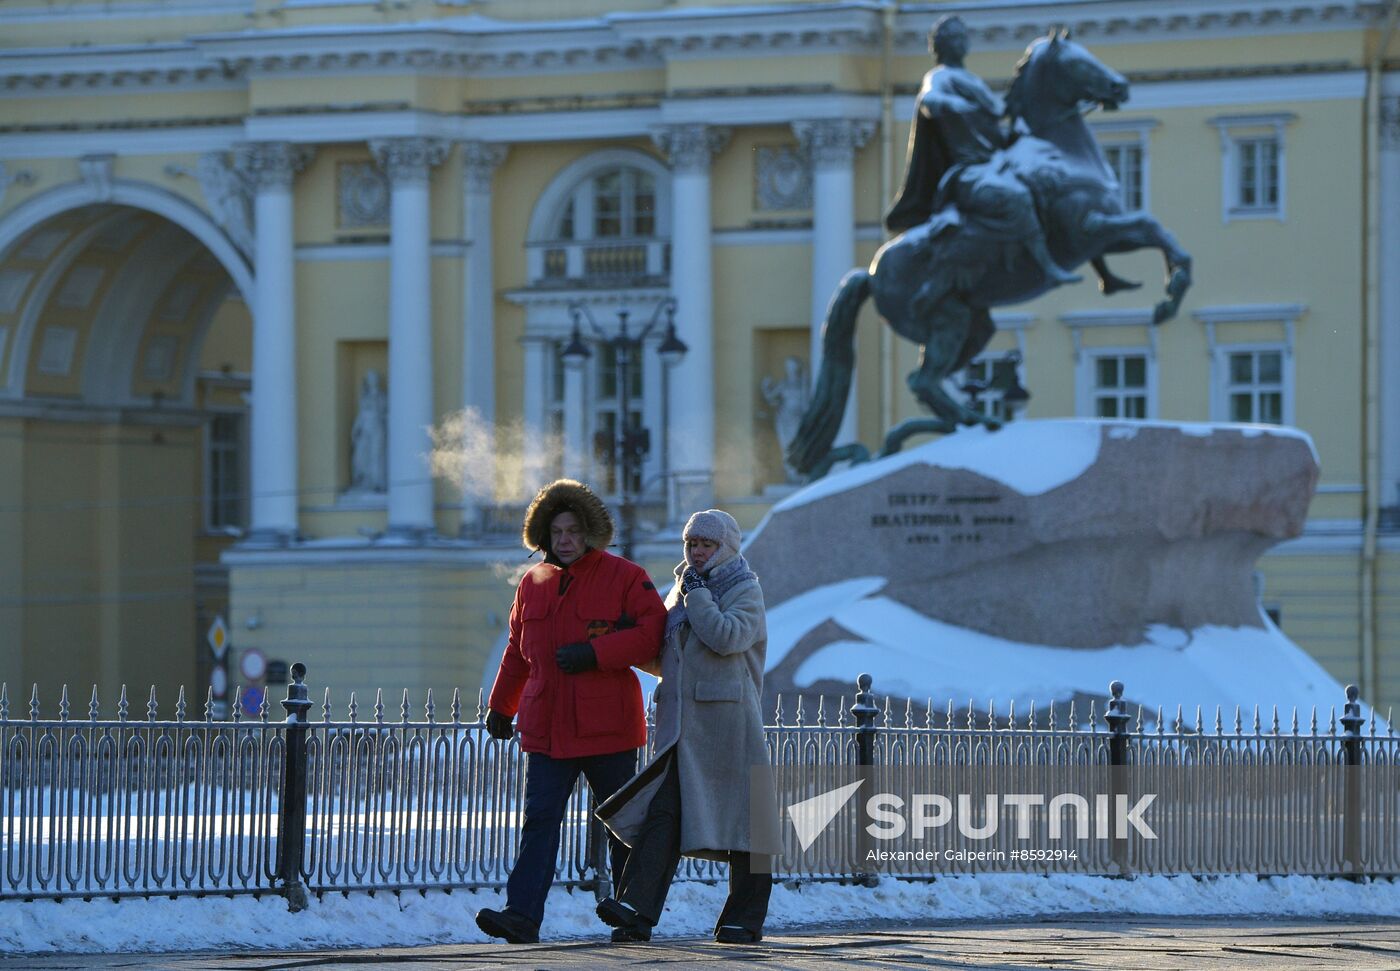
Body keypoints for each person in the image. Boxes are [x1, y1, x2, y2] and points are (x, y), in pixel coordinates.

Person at [475, 479, 666, 945]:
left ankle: (634, 913)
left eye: (574, 531)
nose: (565, 540)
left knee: (624, 822)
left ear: (590, 534)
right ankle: (521, 915)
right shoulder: (532, 583)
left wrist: (594, 653)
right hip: (547, 731)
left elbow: (653, 634)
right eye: (557, 531)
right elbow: (518, 653)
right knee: (539, 821)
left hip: (608, 728)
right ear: (543, 534)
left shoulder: (624, 576)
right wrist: (502, 706)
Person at [594, 509, 781, 945]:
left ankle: (745, 918)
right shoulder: (684, 590)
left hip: (730, 726)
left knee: (749, 825)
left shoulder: (744, 588)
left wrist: (696, 595)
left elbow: (727, 637)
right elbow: (665, 657)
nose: (697, 552)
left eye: (707, 545)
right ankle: (636, 909)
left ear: (726, 548)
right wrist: (623, 639)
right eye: (693, 544)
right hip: (683, 730)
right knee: (663, 815)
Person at [885, 15, 1080, 289]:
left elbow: (996, 124)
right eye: (955, 37)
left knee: (1047, 176)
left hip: (994, 164)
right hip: (968, 174)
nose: (962, 41)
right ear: (942, 45)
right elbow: (929, 99)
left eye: (963, 36)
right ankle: (1046, 265)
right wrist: (954, 104)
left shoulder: (972, 80)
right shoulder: (941, 77)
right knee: (1018, 198)